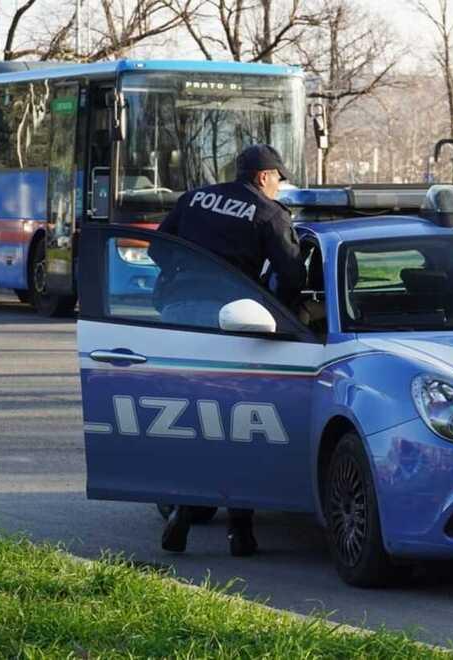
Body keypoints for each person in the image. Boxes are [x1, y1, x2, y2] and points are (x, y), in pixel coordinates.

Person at [153, 144, 307, 558]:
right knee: (237, 424)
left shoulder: (195, 197)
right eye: (279, 179)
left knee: (194, 419)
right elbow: (292, 274)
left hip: (178, 314)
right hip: (233, 319)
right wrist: (280, 312)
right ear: (263, 177)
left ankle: (184, 507)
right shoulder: (269, 213)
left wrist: (184, 283)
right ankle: (241, 529)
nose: (279, 187)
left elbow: (157, 250)